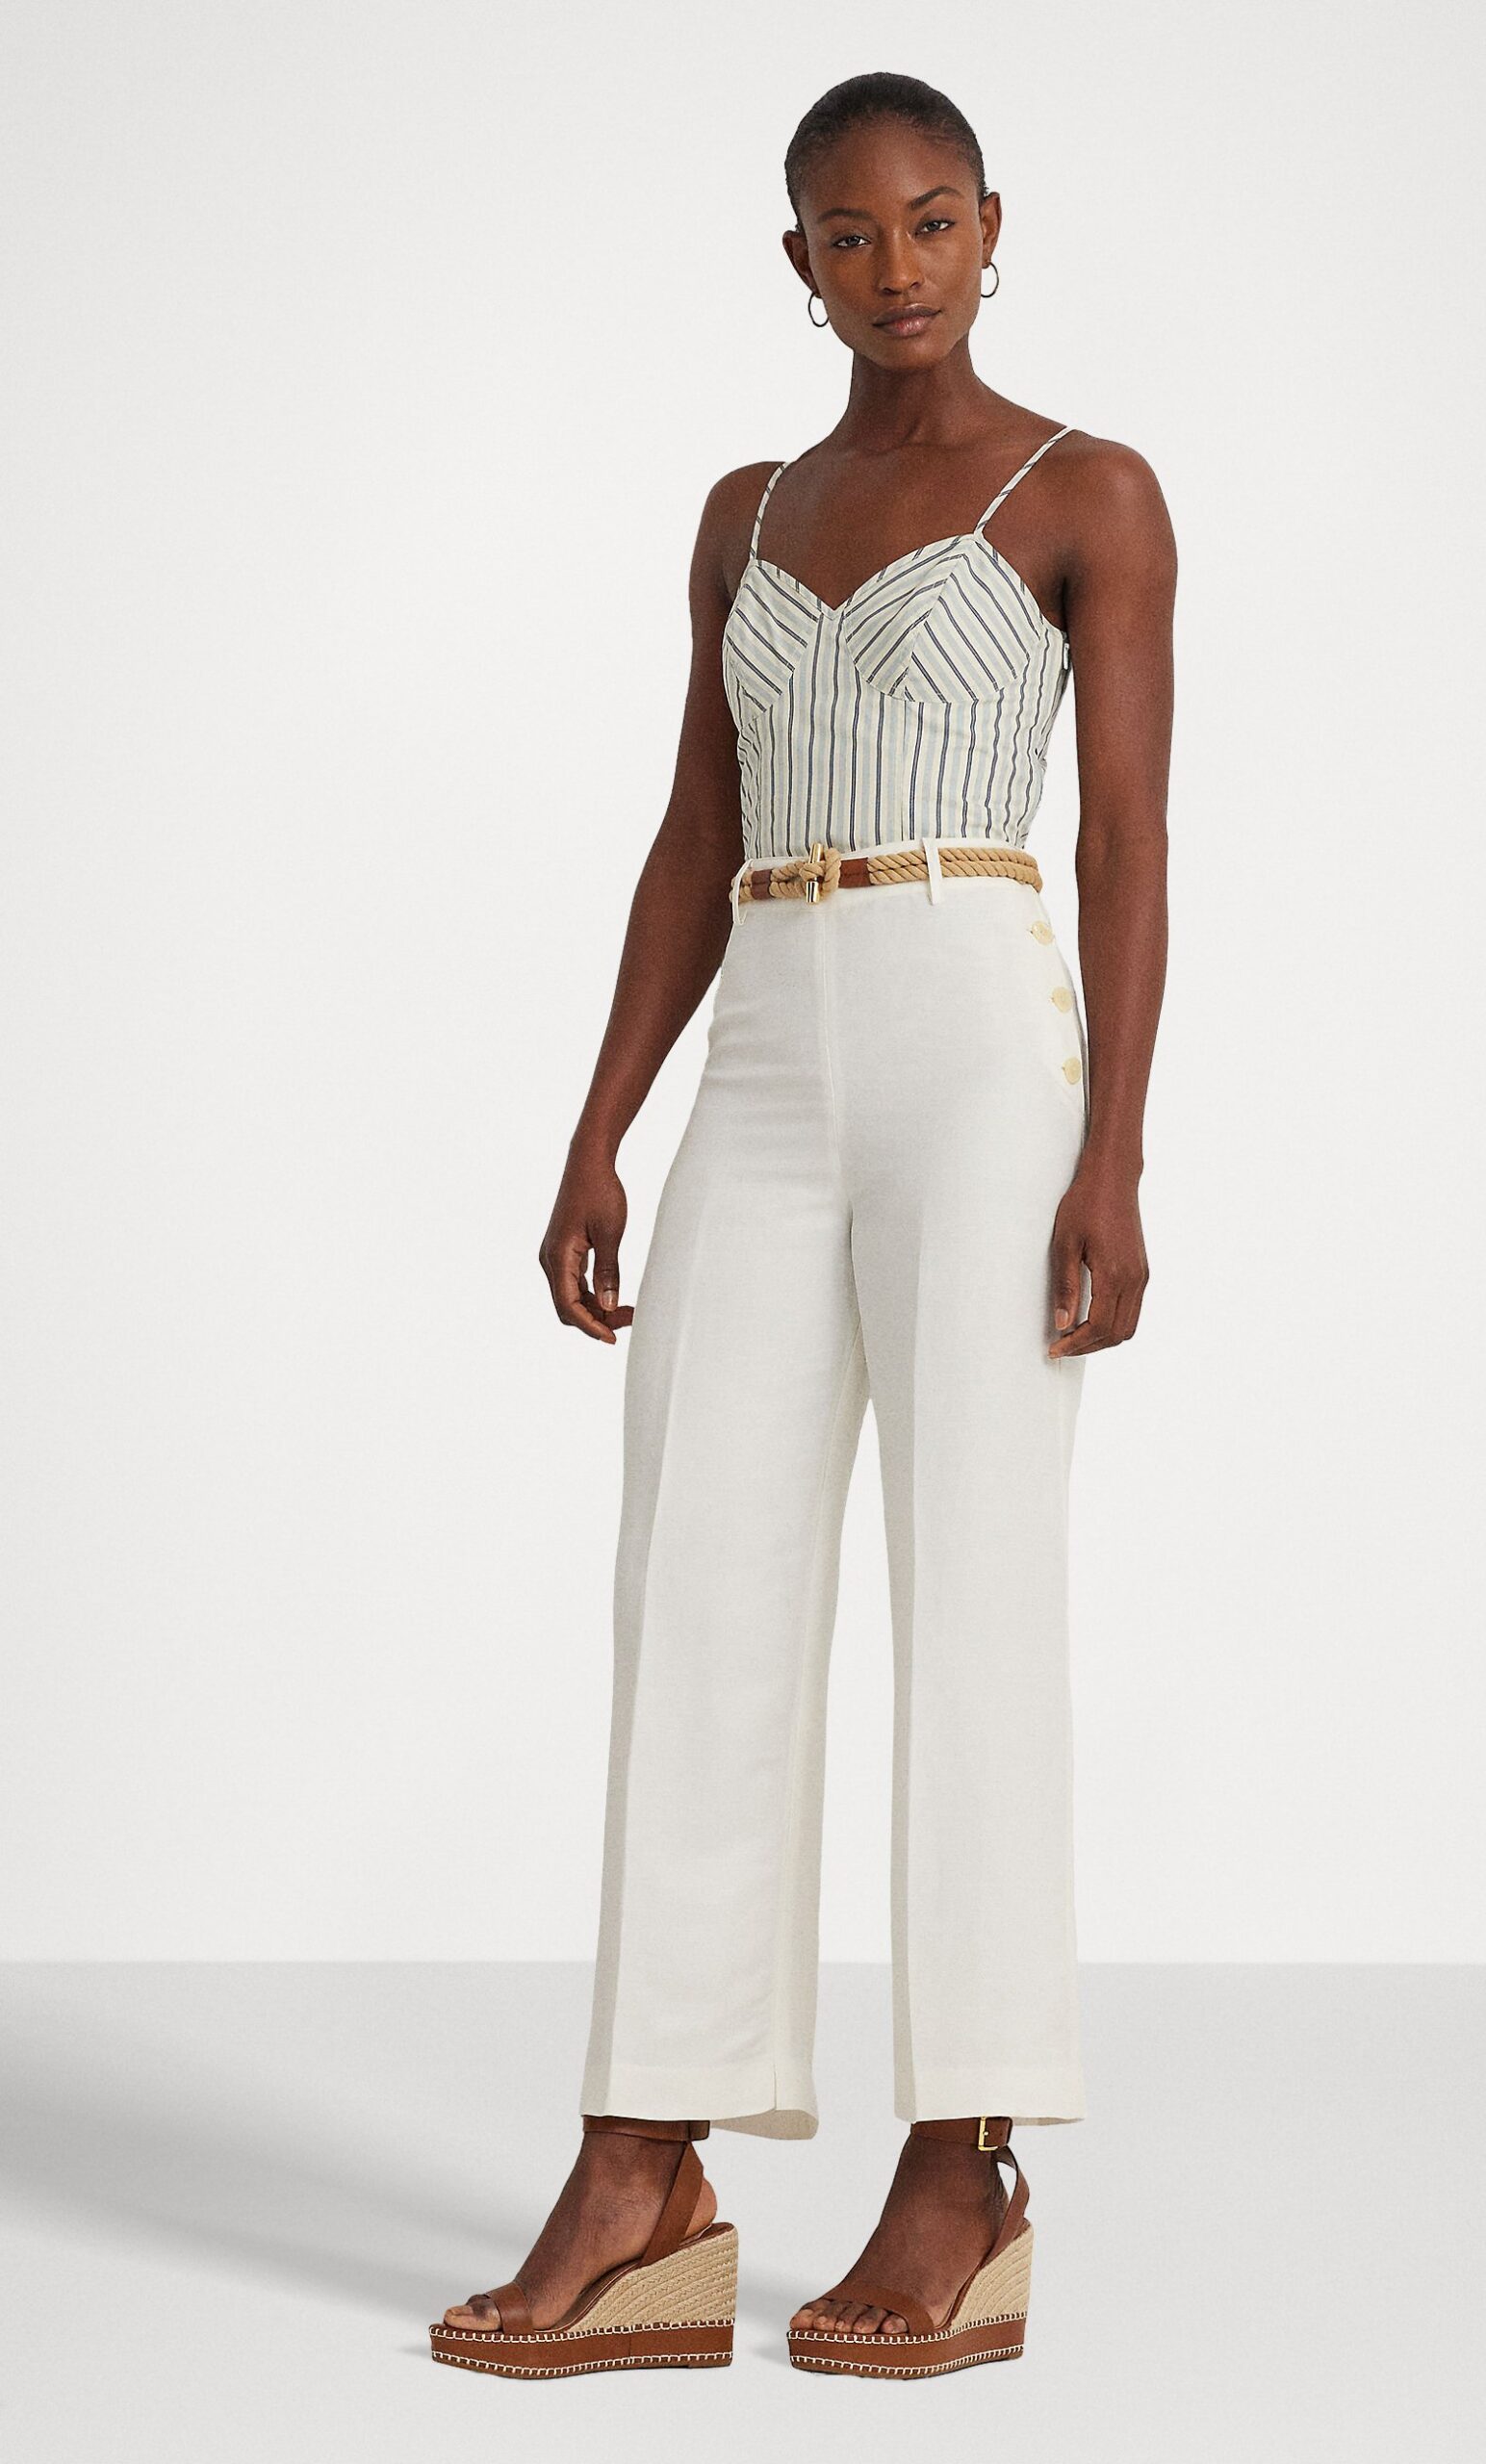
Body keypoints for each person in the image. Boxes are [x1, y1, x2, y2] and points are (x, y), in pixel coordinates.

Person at [431, 69, 1174, 2383]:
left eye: (929, 221)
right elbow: (691, 826)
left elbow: (1129, 841)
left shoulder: (1087, 493)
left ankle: (965, 2155)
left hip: (978, 1031)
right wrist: (599, 1126)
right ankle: (640, 2156)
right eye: (847, 235)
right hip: (763, 1033)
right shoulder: (742, 513)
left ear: (989, 227)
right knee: (694, 1575)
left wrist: (1114, 1155)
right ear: (797, 264)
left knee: (976, 1581)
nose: (894, 266)